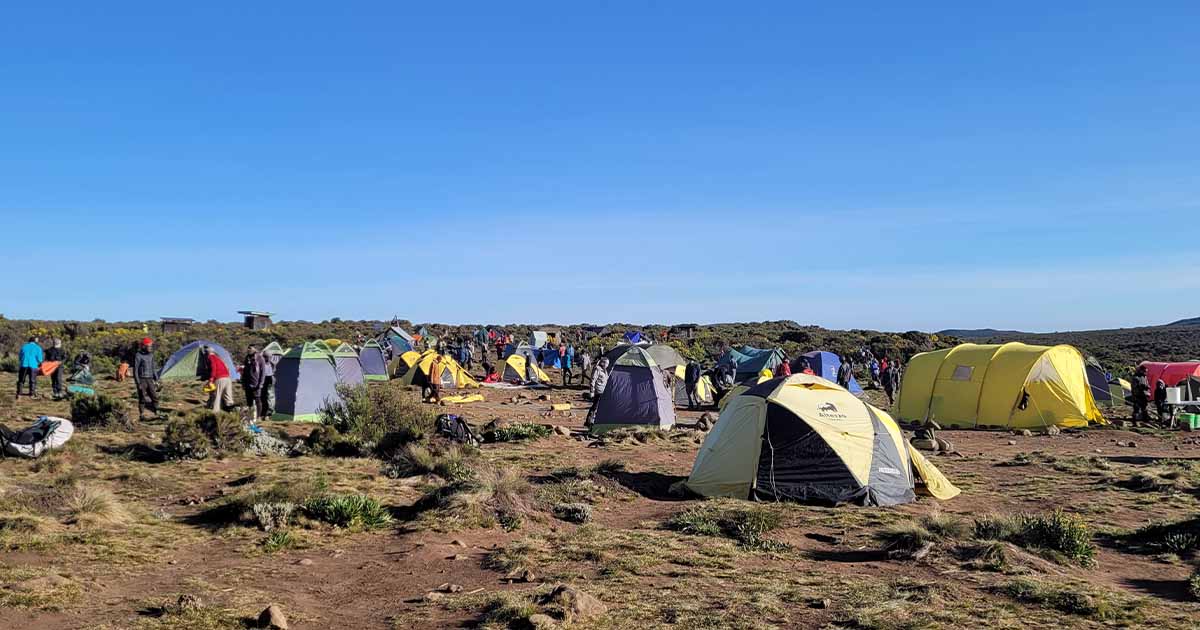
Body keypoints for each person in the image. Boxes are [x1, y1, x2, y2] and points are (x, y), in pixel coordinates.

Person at [133, 337, 161, 419]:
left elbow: (153, 368)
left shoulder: (151, 355)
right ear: (144, 346)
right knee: (142, 398)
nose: (150, 348)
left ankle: (157, 412)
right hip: (142, 379)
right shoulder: (138, 355)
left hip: (150, 379)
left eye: (151, 346)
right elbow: (135, 370)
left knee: (154, 396)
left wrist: (157, 379)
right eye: (149, 346)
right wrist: (138, 383)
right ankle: (141, 414)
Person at [206, 347, 235, 412]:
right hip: (228, 379)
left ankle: (214, 414)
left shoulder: (211, 357)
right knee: (228, 398)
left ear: (208, 352)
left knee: (217, 396)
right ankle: (233, 412)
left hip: (219, 378)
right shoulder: (219, 358)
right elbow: (227, 368)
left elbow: (214, 367)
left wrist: (211, 379)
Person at [241, 346, 265, 422]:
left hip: (256, 383)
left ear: (255, 349)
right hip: (248, 383)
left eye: (250, 348)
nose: (248, 349)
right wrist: (243, 383)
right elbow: (244, 372)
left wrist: (261, 383)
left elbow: (263, 372)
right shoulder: (247, 358)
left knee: (258, 400)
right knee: (249, 401)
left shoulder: (260, 358)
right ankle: (250, 416)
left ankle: (258, 417)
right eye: (248, 348)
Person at [586, 357, 610, 427]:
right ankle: (589, 421)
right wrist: (592, 391)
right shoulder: (597, 369)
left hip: (603, 391)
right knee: (595, 407)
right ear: (602, 363)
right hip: (598, 391)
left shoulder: (605, 370)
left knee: (599, 407)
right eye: (606, 363)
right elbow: (593, 380)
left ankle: (594, 421)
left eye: (608, 363)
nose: (607, 365)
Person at [260, 346, 278, 421]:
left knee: (270, 397)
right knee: (263, 398)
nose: (267, 358)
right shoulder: (262, 364)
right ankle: (263, 413)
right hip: (264, 381)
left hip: (269, 380)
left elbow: (274, 372)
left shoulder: (272, 364)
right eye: (265, 357)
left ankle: (268, 413)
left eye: (268, 357)